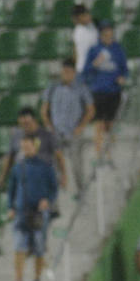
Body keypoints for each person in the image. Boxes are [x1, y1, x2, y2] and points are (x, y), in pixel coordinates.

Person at [7, 135, 58, 281]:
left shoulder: (46, 167)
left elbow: (53, 188)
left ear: (35, 146)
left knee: (39, 246)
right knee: (19, 245)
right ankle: (18, 278)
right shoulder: (17, 168)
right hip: (22, 212)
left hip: (39, 213)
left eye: (28, 146)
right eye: (24, 147)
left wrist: (47, 200)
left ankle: (37, 278)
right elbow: (11, 190)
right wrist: (11, 207)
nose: (26, 149)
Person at [41, 58, 95, 195]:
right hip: (57, 132)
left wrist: (81, 127)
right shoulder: (52, 87)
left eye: (70, 72)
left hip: (73, 131)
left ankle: (81, 191)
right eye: (65, 72)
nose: (67, 75)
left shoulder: (81, 88)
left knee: (77, 163)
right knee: (54, 163)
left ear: (74, 73)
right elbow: (44, 110)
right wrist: (49, 126)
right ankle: (56, 192)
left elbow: (91, 109)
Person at [82, 20, 128, 161]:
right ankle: (98, 153)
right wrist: (95, 64)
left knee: (110, 124)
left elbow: (125, 70)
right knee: (99, 123)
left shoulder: (118, 50)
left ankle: (109, 153)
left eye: (109, 32)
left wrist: (122, 78)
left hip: (114, 91)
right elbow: (86, 71)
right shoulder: (94, 50)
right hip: (99, 91)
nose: (107, 35)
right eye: (105, 33)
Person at [0, 107, 66, 191]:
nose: (25, 126)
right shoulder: (16, 136)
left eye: (27, 123)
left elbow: (59, 156)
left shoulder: (48, 135)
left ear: (34, 120)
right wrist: (2, 176)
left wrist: (64, 176)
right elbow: (9, 157)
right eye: (22, 124)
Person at [71, 3, 99, 75]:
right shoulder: (77, 32)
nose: (87, 17)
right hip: (81, 69)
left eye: (87, 14)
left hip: (94, 68)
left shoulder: (95, 27)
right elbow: (75, 52)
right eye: (83, 16)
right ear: (78, 18)